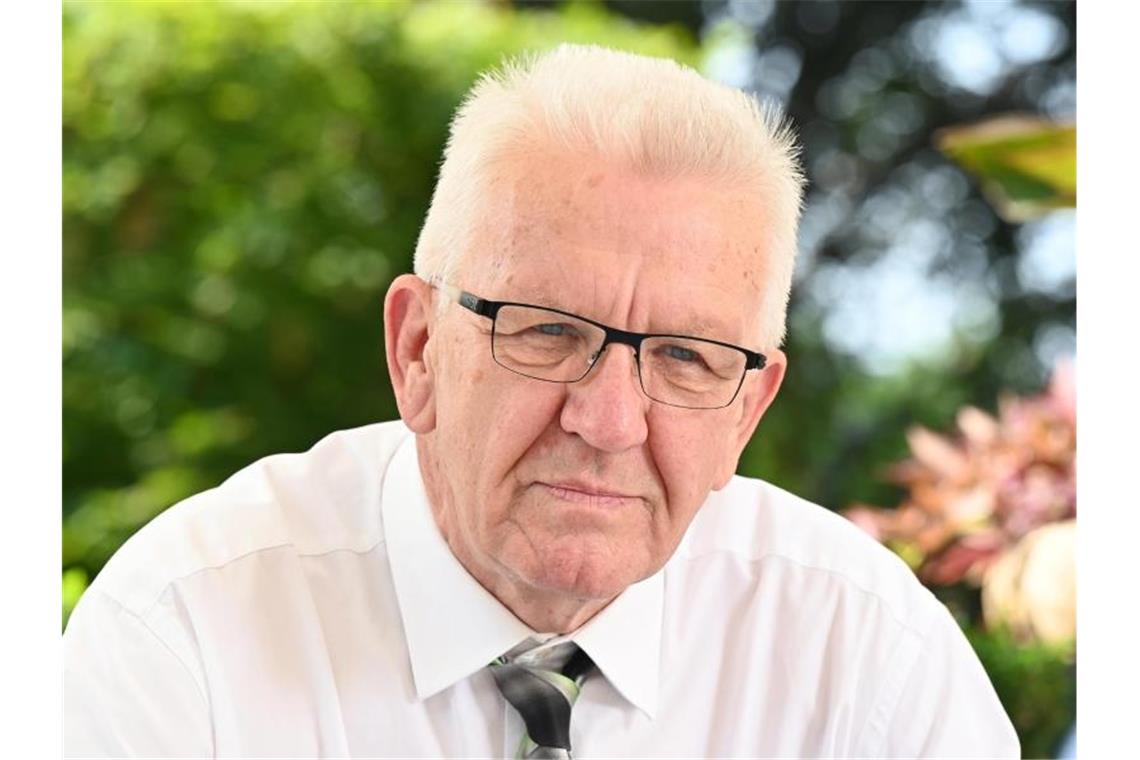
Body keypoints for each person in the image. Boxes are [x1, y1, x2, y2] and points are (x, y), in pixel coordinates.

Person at [63, 44, 1019, 758]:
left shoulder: (865, 656)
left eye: (686, 358)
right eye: (547, 332)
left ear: (747, 411)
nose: (606, 423)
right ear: (419, 348)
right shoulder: (184, 631)